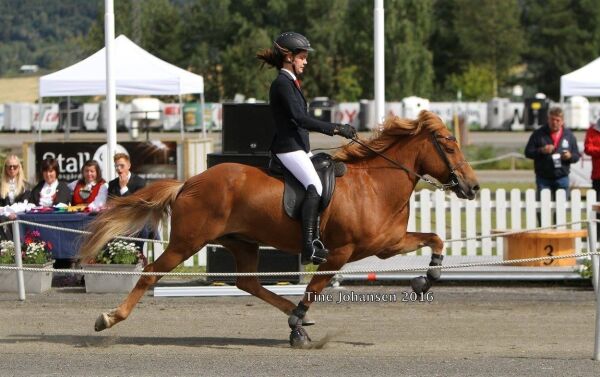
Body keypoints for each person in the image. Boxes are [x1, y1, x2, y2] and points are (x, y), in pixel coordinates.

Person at [257, 31, 357, 265]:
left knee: (325, 174)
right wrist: (336, 128)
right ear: (289, 57)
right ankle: (308, 246)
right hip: (288, 149)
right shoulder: (282, 84)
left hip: (300, 147)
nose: (306, 61)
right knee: (314, 188)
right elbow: (301, 119)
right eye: (302, 57)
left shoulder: (291, 82)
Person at [525, 106, 580, 225]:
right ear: (548, 119)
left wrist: (570, 156)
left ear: (562, 121)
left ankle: (558, 230)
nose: (554, 122)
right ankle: (542, 229)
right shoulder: (538, 134)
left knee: (560, 209)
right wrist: (541, 150)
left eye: (557, 120)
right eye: (552, 119)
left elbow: (576, 156)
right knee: (542, 207)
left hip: (562, 177)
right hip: (543, 178)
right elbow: (528, 152)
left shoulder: (569, 135)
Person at [0, 155, 31, 239]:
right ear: (5, 168)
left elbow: (24, 204)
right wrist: (7, 213)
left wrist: (12, 212)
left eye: (15, 166)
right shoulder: (0, 185)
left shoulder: (26, 185)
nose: (12, 169)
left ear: (19, 168)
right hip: (3, 219)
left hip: (20, 218)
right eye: (9, 167)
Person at [584, 119, 600, 238]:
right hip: (597, 176)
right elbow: (588, 148)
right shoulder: (592, 130)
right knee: (598, 207)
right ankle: (598, 235)